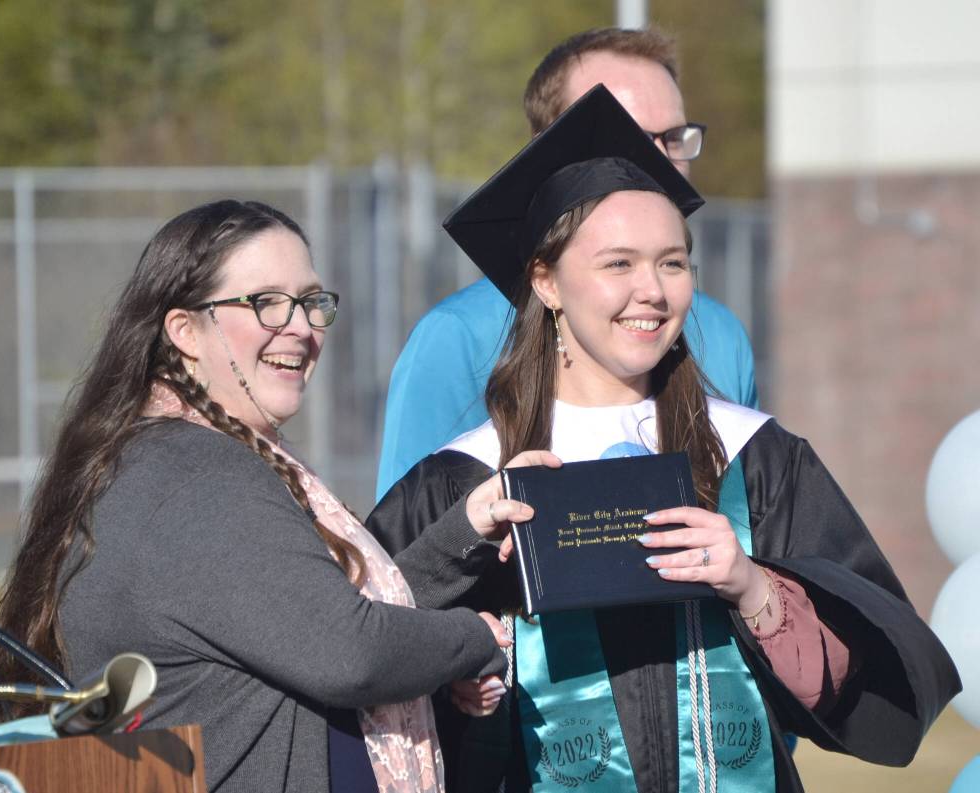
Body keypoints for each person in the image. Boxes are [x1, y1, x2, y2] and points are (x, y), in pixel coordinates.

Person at [368, 87, 960, 792]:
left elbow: (861, 663)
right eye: (618, 263)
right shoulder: (466, 481)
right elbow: (362, 652)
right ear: (546, 282)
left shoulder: (753, 457)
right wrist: (461, 674)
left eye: (672, 263)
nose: (651, 289)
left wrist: (753, 586)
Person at [0, 200, 556, 793]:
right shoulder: (191, 476)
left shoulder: (186, 456)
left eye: (309, 301)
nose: (299, 326)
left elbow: (310, 623)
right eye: (266, 302)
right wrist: (480, 637)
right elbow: (352, 654)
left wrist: (464, 532)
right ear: (184, 331)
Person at [376, 26, 758, 502]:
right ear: (547, 150)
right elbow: (408, 546)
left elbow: (749, 522)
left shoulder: (719, 334)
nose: (660, 162)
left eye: (675, 138)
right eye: (633, 136)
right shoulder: (458, 337)